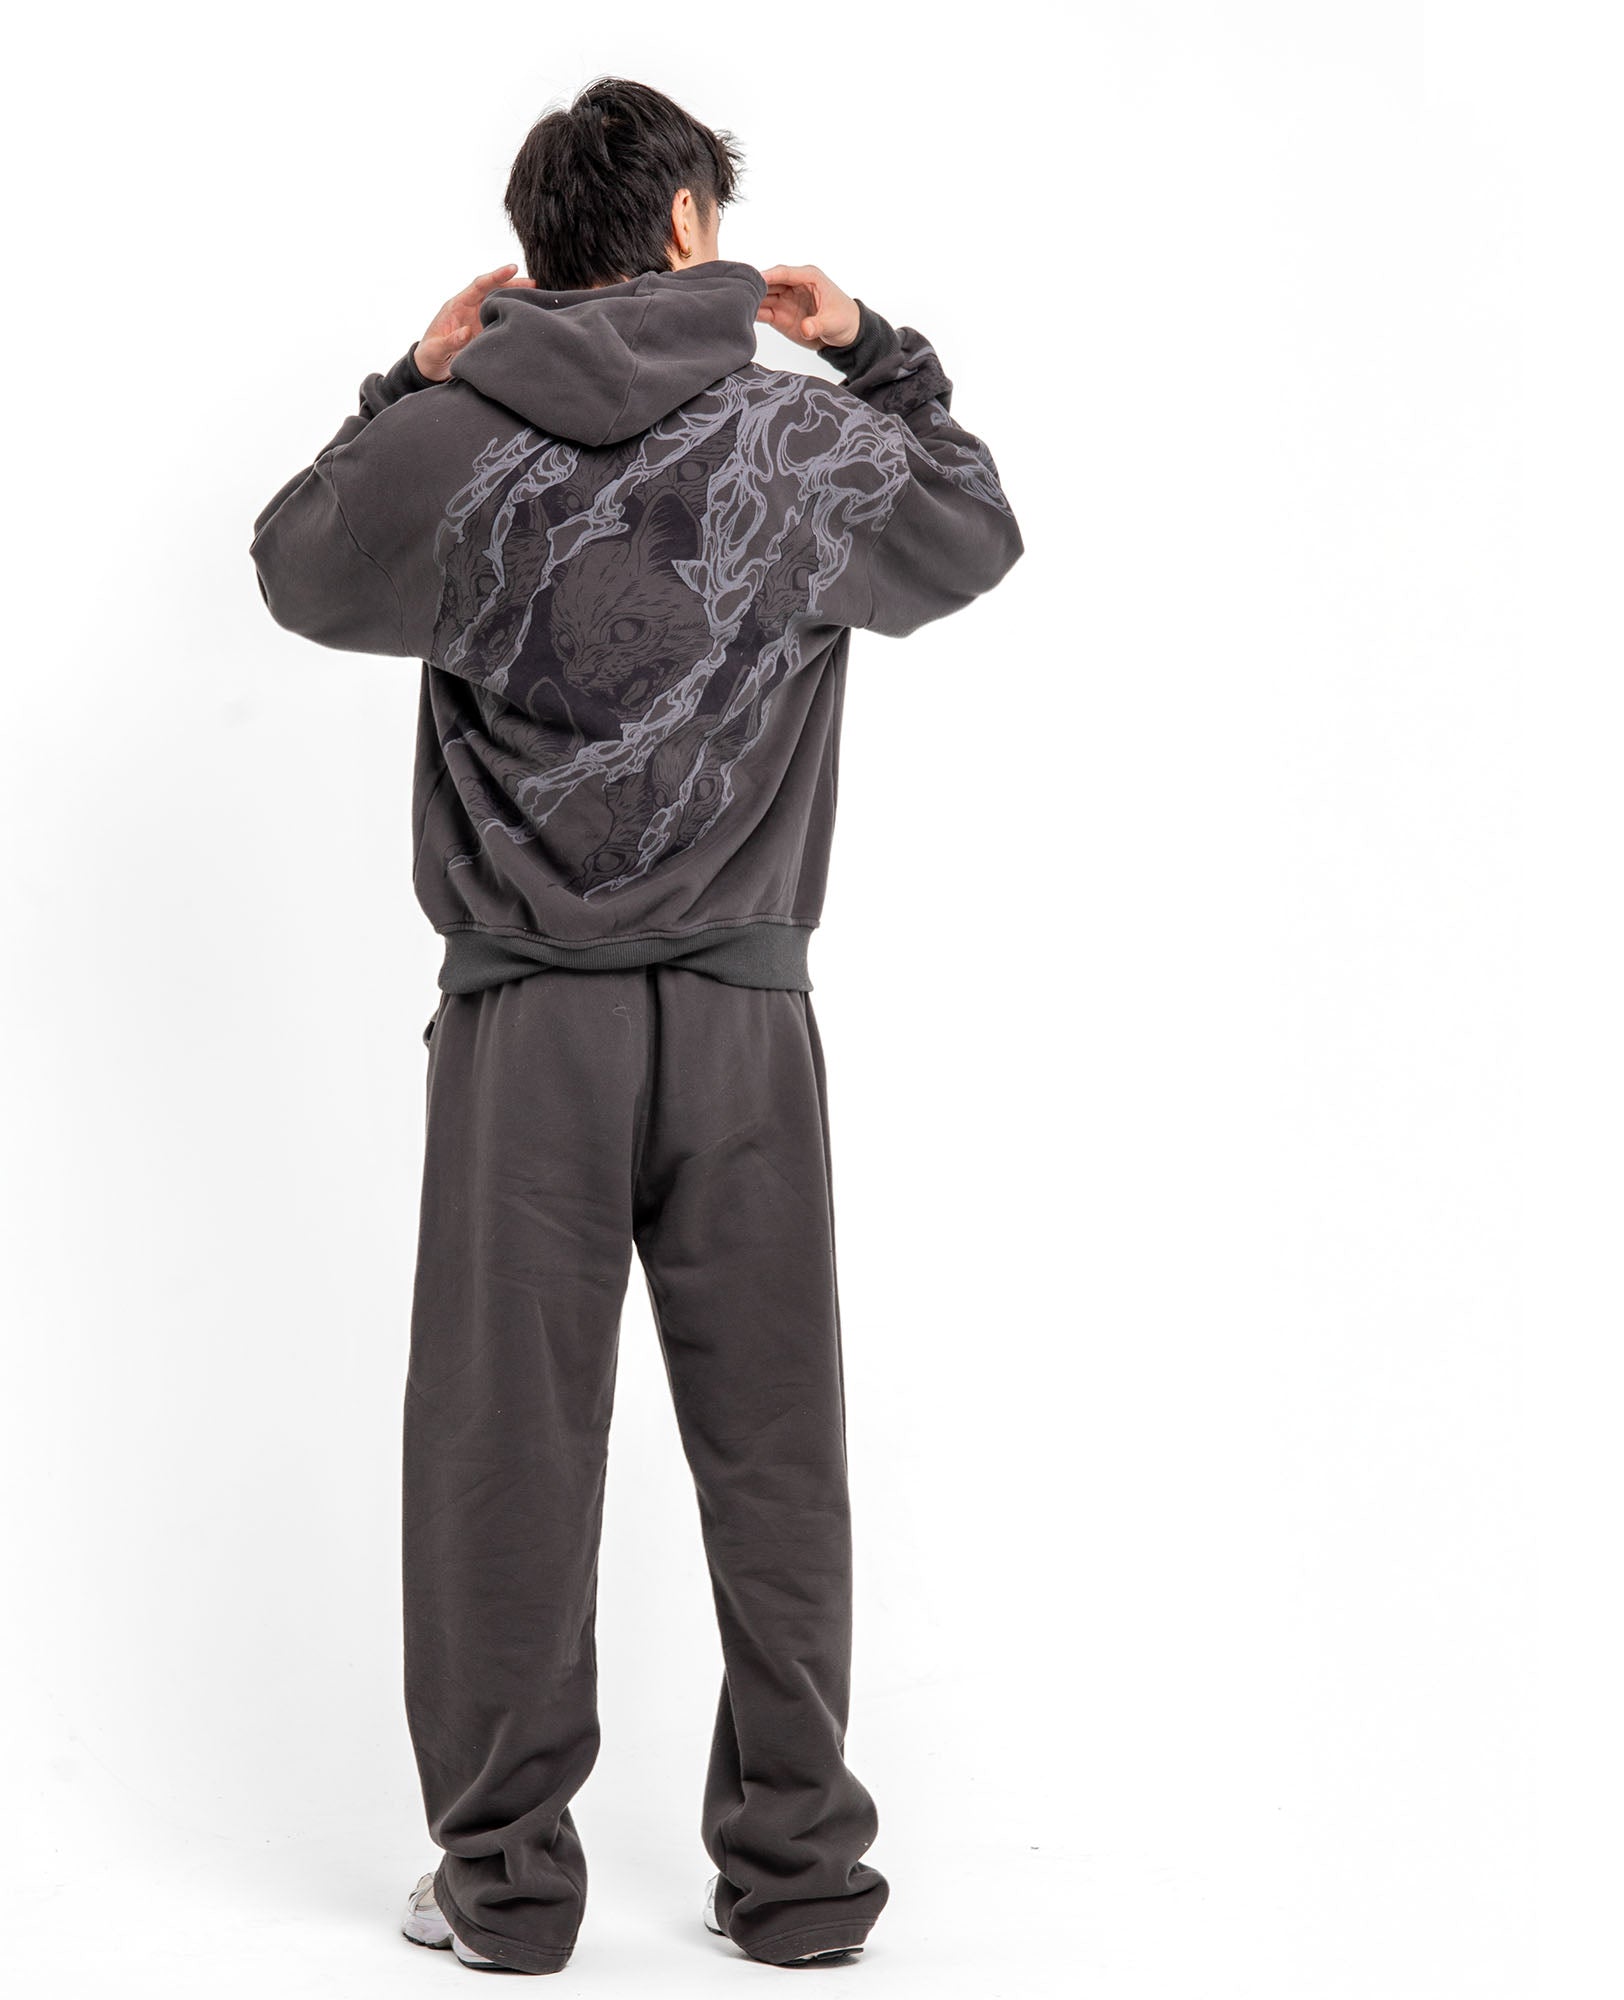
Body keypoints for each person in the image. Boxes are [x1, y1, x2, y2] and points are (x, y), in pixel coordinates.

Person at [250, 75, 1024, 1975]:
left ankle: (508, 1891)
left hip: (528, 1026)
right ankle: (799, 1880)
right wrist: (873, 346)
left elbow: (291, 561)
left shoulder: (447, 446)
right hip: (743, 1017)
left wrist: (411, 374)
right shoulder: (800, 440)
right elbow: (978, 528)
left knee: (505, 1454)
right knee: (774, 1452)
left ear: (532, 252)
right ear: (688, 227)